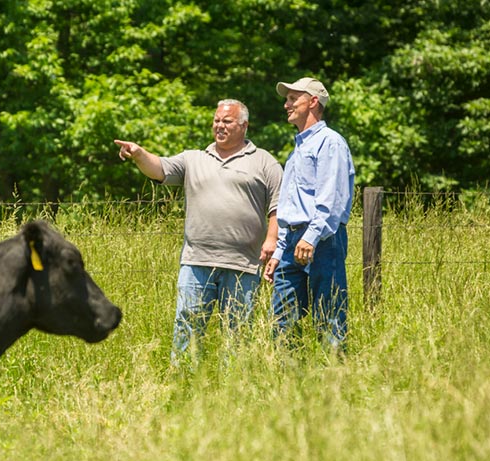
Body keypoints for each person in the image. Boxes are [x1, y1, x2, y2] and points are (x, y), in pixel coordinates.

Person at [114, 99, 282, 367]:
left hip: (243, 264)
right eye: (217, 120)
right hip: (196, 262)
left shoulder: (264, 162)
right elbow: (159, 169)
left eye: (227, 121)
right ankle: (183, 385)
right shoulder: (193, 158)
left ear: (244, 125)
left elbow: (278, 207)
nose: (219, 126)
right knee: (187, 330)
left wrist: (272, 239)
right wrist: (138, 154)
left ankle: (235, 389)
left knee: (238, 336)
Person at [262, 77, 355, 354]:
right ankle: (288, 383)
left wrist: (311, 237)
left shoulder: (330, 143)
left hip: (322, 241)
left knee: (329, 317)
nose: (286, 104)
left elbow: (331, 199)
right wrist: (279, 250)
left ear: (313, 102)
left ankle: (334, 381)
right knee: (283, 322)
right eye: (287, 99)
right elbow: (290, 207)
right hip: (292, 242)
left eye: (293, 99)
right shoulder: (298, 149)